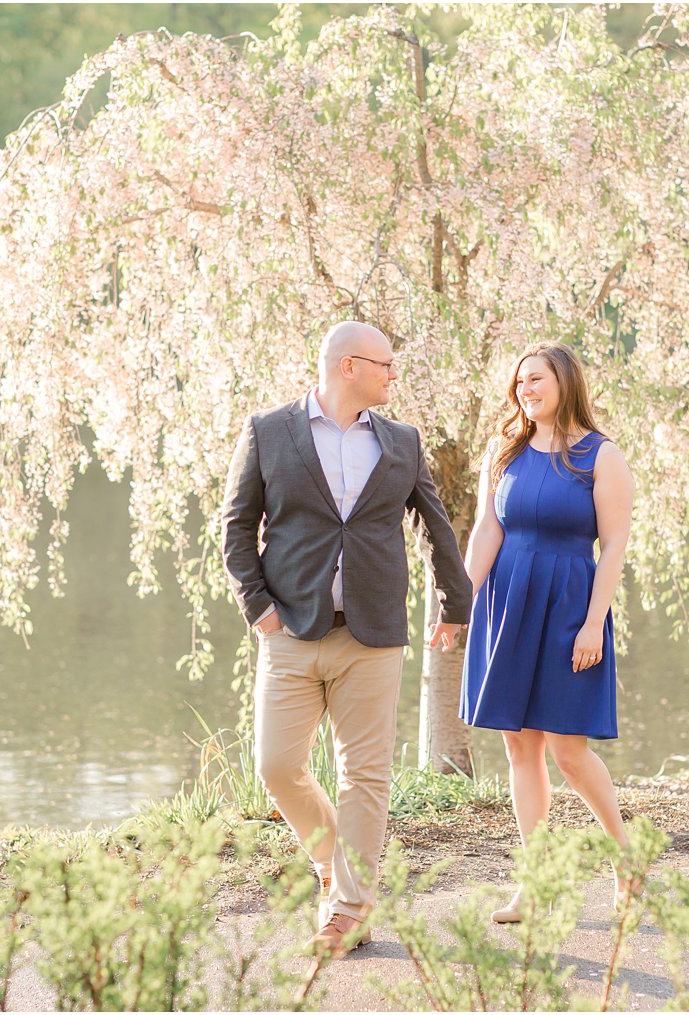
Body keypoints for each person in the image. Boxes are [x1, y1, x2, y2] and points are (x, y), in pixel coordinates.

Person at [221, 321, 473, 957]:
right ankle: (335, 862)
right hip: (291, 630)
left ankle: (349, 910)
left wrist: (454, 601)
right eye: (387, 364)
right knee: (276, 766)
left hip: (373, 634)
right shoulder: (267, 432)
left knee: (364, 776)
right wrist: (260, 610)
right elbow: (236, 528)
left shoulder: (402, 442)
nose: (395, 375)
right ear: (349, 367)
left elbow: (436, 527)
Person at [458, 342, 637, 923]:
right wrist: (458, 602)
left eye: (534, 379)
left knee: (568, 752)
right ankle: (533, 886)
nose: (524, 390)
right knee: (519, 744)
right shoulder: (503, 450)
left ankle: (625, 861)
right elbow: (488, 529)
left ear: (564, 380)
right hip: (506, 604)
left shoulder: (600, 455)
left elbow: (612, 547)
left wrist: (593, 625)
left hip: (567, 608)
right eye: (518, 383)